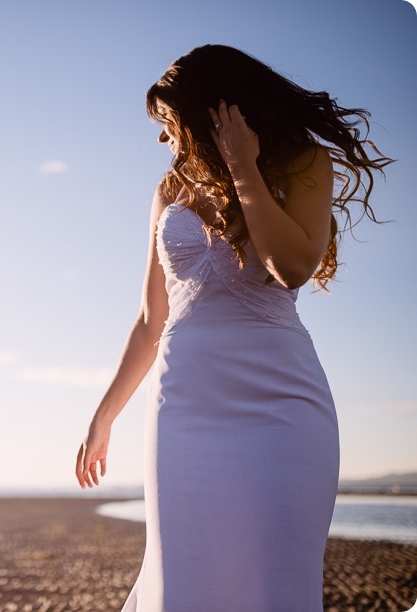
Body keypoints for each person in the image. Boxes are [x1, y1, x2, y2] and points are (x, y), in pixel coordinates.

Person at [75, 45, 391, 611]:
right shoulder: (170, 188)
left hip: (283, 409)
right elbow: (151, 320)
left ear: (210, 113)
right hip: (183, 411)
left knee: (277, 586)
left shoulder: (303, 161)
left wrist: (243, 168)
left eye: (167, 123)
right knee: (182, 583)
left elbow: (292, 266)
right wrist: (103, 419)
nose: (161, 139)